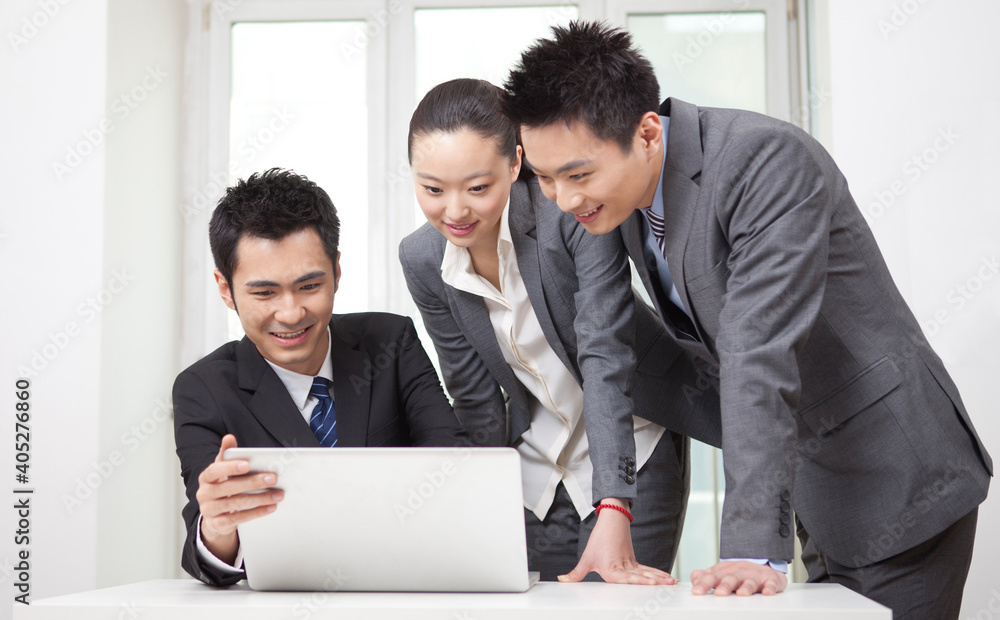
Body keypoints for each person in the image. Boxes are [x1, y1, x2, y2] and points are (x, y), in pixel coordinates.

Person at [502, 21, 992, 619]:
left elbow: (756, 349)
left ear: (648, 133)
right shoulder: (608, 201)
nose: (562, 199)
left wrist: (752, 546)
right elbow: (604, 350)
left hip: (898, 475)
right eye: (545, 179)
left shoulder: (764, 160)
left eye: (577, 175)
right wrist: (614, 506)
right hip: (814, 482)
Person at [399, 78, 707, 584]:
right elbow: (473, 395)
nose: (454, 212)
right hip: (534, 467)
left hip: (630, 448)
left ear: (516, 163)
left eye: (478, 187)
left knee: (615, 604)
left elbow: (605, 355)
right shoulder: (422, 258)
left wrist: (615, 501)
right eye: (432, 189)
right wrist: (468, 510)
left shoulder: (567, 211)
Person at [173, 168, 467, 586]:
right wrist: (218, 526)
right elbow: (207, 558)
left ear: (337, 271)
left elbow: (453, 471)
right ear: (225, 289)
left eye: (309, 285)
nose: (291, 313)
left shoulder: (391, 343)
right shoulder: (203, 390)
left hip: (403, 588)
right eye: (264, 293)